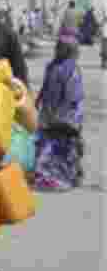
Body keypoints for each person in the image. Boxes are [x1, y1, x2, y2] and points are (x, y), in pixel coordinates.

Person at [32, 27, 85, 191]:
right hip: (50, 112)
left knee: (65, 147)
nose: (60, 49)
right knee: (48, 144)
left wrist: (67, 116)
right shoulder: (52, 65)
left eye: (64, 47)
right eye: (59, 46)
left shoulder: (71, 69)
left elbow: (74, 96)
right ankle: (49, 175)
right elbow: (45, 86)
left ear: (70, 50)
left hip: (65, 116)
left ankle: (68, 176)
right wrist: (38, 100)